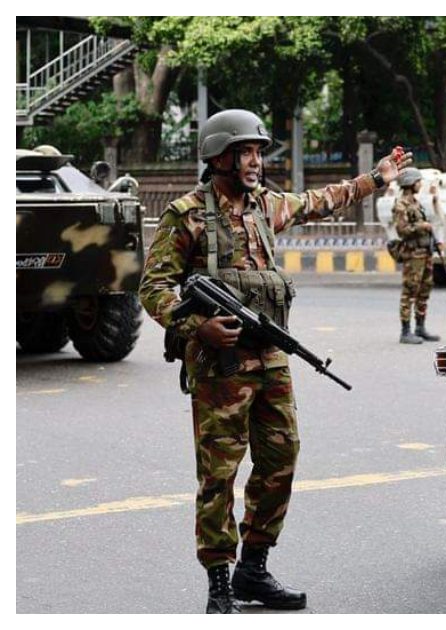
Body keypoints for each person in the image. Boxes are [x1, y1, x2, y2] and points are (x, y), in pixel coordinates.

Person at [138, 109, 409, 613]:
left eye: (260, 152)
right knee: (219, 473)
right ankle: (218, 580)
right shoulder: (187, 214)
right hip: (220, 366)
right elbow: (152, 287)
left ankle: (253, 570)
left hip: (271, 359)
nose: (257, 161)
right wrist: (199, 327)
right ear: (220, 156)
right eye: (247, 152)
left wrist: (376, 178)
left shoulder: (266, 206)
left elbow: (319, 201)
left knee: (281, 459)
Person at [392, 168, 442, 343]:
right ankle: (405, 332)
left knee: (424, 290)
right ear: (411, 183)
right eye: (418, 181)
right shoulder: (401, 205)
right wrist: (422, 226)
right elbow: (402, 230)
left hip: (425, 253)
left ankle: (420, 327)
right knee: (410, 291)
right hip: (413, 255)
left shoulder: (416, 202)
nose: (420, 184)